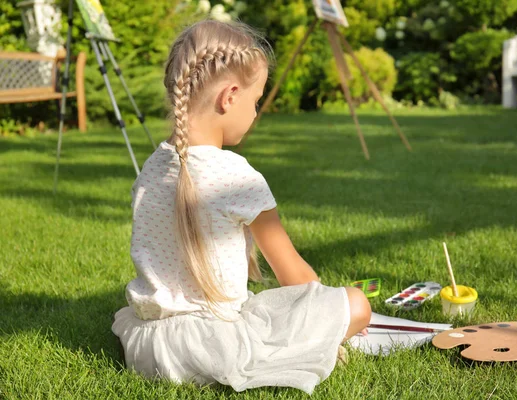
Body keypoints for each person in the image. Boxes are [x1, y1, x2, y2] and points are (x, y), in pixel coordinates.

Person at [112, 19, 371, 395]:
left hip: (146, 347)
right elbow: (294, 275)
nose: (254, 113)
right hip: (216, 349)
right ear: (229, 96)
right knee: (357, 303)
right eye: (256, 101)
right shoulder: (237, 176)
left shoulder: (151, 168)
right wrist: (329, 313)